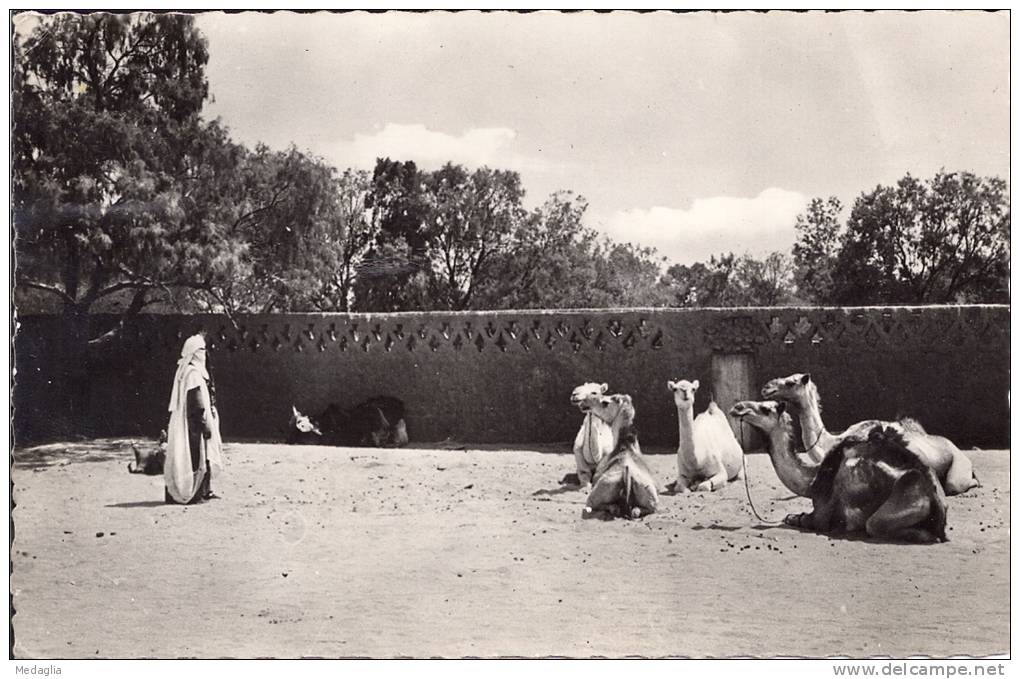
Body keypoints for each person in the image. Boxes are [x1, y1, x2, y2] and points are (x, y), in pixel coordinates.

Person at [165, 333, 224, 504]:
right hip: (194, 424)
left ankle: (204, 491)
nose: (204, 355)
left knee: (198, 455)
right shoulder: (192, 374)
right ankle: (194, 493)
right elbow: (196, 404)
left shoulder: (188, 372)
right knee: (196, 456)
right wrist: (204, 426)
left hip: (190, 423)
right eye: (202, 351)